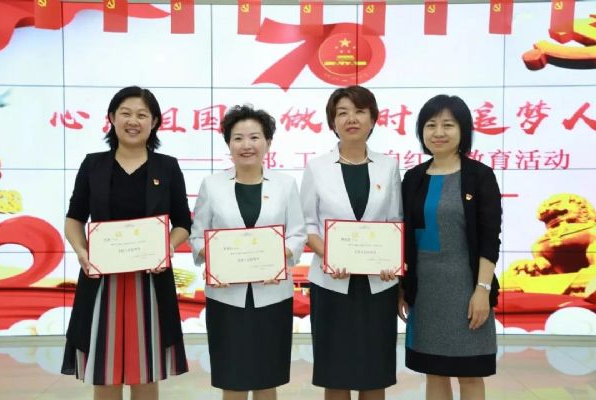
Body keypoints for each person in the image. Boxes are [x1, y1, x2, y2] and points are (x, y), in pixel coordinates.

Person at [61, 86, 191, 400]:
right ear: (112, 118)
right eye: (126, 113)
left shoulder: (167, 167)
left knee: (145, 367)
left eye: (142, 115)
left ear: (155, 122)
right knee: (104, 371)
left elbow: (183, 223)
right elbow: (74, 218)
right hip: (102, 283)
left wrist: (167, 247)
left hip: (150, 284)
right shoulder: (93, 165)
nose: (134, 121)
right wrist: (81, 251)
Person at [189, 105, 306, 400]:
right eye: (238, 138)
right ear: (228, 144)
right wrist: (213, 260)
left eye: (255, 137)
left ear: (268, 142)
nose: (246, 145)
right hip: (226, 296)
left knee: (268, 376)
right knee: (233, 377)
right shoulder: (212, 185)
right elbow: (197, 235)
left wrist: (280, 257)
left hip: (273, 294)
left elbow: (297, 234)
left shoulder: (285, 185)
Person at [300, 85, 402, 400]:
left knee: (375, 373)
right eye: (342, 113)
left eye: (359, 111)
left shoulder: (388, 166)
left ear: (373, 119)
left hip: (378, 284)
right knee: (336, 372)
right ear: (333, 122)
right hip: (331, 283)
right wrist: (330, 255)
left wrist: (393, 263)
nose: (351, 119)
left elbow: (395, 222)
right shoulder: (317, 167)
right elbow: (308, 225)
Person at [398, 94, 502, 400]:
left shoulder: (479, 176)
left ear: (463, 130)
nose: (438, 132)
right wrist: (402, 287)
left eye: (448, 125)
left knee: (470, 374)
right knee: (434, 372)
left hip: (468, 289)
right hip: (426, 291)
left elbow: (490, 238)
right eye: (431, 125)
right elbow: (404, 236)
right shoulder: (413, 178)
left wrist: (482, 289)